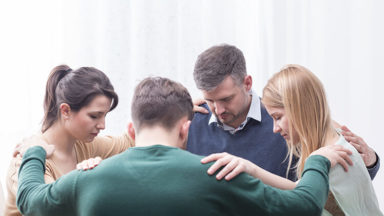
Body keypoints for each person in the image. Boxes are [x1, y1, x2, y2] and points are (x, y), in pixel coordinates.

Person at [16, 76, 353, 216]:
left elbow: (29, 200)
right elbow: (305, 206)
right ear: (185, 130)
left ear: (131, 129)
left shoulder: (86, 180)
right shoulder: (219, 174)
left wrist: (34, 151)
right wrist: (319, 161)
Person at [203, 65, 383, 215]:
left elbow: (298, 198)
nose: (274, 128)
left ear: (299, 109)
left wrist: (250, 168)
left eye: (278, 117)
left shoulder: (336, 156)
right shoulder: (333, 138)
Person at [187, 44, 380, 180]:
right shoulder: (190, 123)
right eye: (210, 100)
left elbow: (346, 181)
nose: (218, 110)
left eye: (226, 99)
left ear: (247, 83)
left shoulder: (288, 120)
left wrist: (370, 160)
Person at [5, 65, 134, 216]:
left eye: (104, 115)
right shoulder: (25, 161)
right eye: (94, 116)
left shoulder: (84, 145)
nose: (102, 125)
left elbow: (129, 141)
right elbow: (49, 207)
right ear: (65, 110)